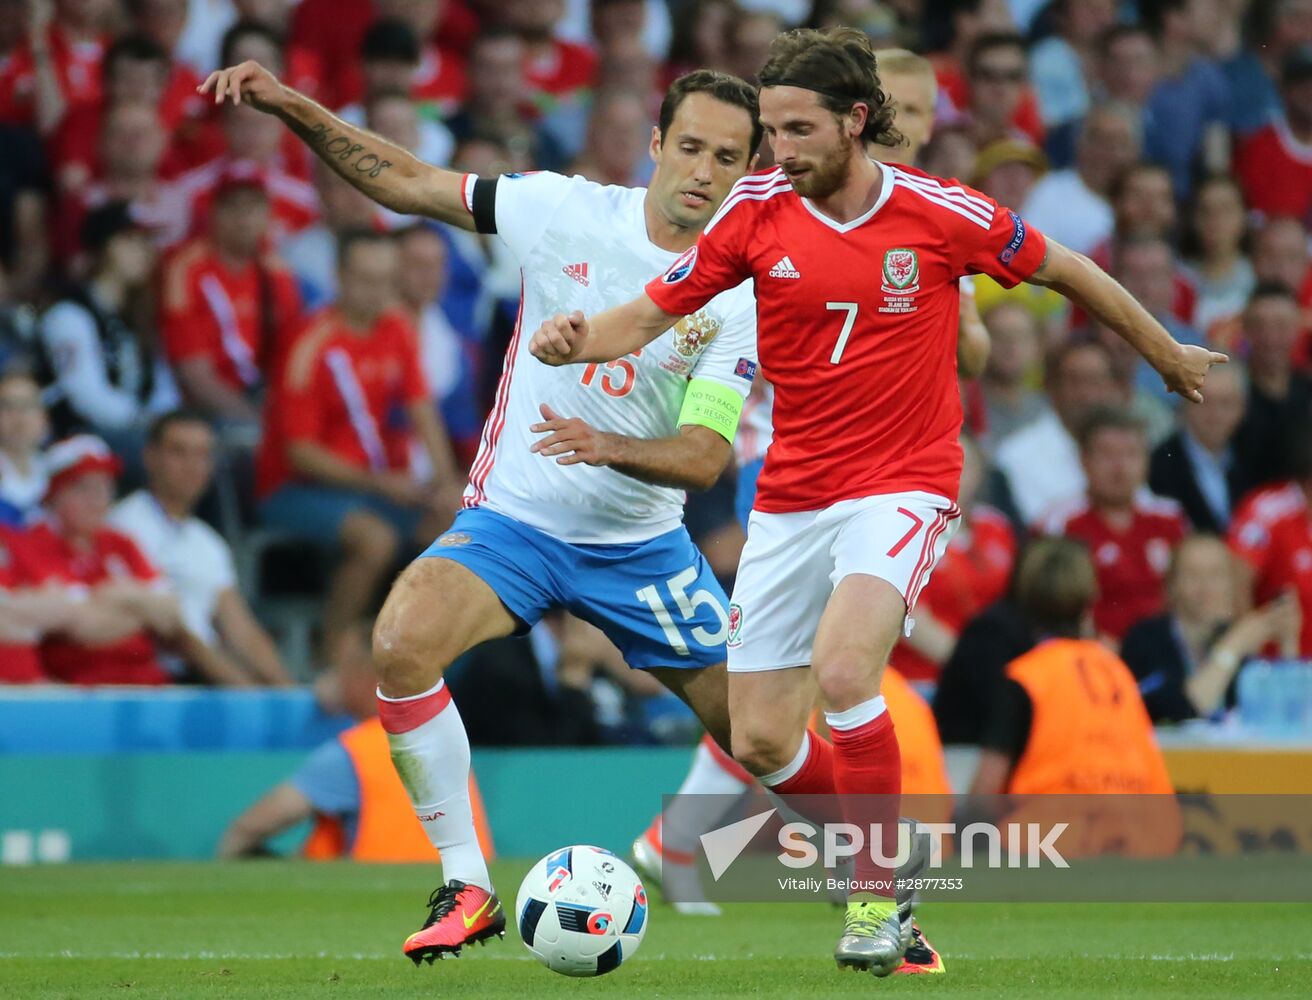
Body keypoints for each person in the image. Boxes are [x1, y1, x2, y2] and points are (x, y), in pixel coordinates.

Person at [527, 26, 1222, 974]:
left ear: (857, 123)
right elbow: (656, 307)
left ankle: (868, 904)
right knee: (764, 737)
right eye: (770, 130)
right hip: (793, 493)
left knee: (848, 671)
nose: (778, 152)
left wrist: (1167, 352)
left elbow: (1070, 270)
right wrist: (582, 341)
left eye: (798, 129)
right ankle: (889, 879)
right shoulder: (755, 213)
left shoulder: (942, 214)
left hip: (903, 481)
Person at [200, 60, 761, 967]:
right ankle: (467, 885)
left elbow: (704, 460)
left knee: (764, 736)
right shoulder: (564, 211)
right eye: (690, 146)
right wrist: (293, 103)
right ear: (657, 144)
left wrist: (608, 445)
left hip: (640, 545)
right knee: (401, 643)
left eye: (728, 158)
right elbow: (412, 182)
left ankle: (879, 897)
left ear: (746, 171)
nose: (704, 170)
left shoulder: (736, 293)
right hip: (517, 523)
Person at [256, 228, 462, 666]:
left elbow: (423, 411)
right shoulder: (310, 342)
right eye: (366, 280)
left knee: (460, 526)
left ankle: (417, 652)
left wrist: (446, 484)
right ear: (339, 277)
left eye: (387, 280)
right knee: (375, 539)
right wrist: (382, 483)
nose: (378, 292)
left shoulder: (396, 329)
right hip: (293, 488)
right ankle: (330, 661)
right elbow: (300, 454)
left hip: (370, 485)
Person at [968, 537, 1180, 855]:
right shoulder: (1116, 669)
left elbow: (984, 795)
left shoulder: (1026, 677)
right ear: (1089, 598)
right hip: (1141, 838)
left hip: (1049, 843)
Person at [219, 625, 494, 861]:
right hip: (461, 896)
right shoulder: (441, 739)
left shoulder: (355, 751)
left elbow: (245, 831)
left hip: (381, 899)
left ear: (369, 677)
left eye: (340, 667)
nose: (333, 678)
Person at [110, 409, 293, 687]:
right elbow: (172, 633)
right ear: (151, 457)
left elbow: (242, 629)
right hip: (148, 681)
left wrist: (288, 694)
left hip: (203, 678)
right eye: (179, 452)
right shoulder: (124, 526)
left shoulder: (207, 542)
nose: (192, 466)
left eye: (202, 455)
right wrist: (244, 690)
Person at [159, 163, 302, 425]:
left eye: (253, 207)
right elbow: (194, 374)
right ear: (212, 212)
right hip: (205, 411)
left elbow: (290, 361)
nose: (243, 217)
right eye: (233, 206)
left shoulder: (278, 273)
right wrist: (255, 423)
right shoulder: (186, 268)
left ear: (268, 214)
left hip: (262, 401)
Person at [1038, 408, 1188, 641]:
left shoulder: (1171, 519)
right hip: (1092, 654)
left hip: (1163, 654)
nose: (1120, 467)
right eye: (1107, 454)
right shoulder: (1060, 524)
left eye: (1131, 454)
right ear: (1083, 460)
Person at [1121, 534, 1300, 723]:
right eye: (1193, 575)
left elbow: (1285, 716)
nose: (1206, 587)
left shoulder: (1232, 635)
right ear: (1171, 585)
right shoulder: (1144, 639)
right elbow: (1183, 710)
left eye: (1216, 574)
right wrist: (1233, 647)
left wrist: (1288, 643)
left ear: (1231, 584)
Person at [38, 201, 178, 444]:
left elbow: (163, 387)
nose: (144, 251)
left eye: (147, 241)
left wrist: (169, 421)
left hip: (139, 431)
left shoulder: (142, 313)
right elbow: (85, 396)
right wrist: (149, 422)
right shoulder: (69, 312)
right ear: (101, 247)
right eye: (130, 240)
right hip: (81, 437)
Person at [1149, 361, 1254, 533]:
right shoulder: (1160, 464)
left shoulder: (1253, 457)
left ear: (1242, 408)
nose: (1215, 414)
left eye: (1226, 403)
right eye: (1204, 401)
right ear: (1185, 403)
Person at [0, 368, 51, 522]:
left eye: (27, 406)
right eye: (7, 406)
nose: (18, 417)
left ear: (44, 417)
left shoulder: (55, 469)